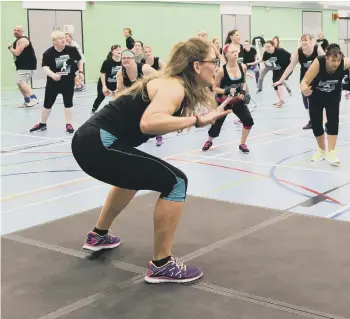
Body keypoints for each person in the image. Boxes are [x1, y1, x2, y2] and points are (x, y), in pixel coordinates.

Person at [71, 37, 231, 283]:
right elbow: (149, 123)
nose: (217, 67)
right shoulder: (174, 86)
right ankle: (161, 264)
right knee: (176, 182)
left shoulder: (172, 85)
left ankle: (99, 235)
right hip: (99, 143)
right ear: (197, 66)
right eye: (214, 61)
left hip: (91, 141)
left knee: (131, 176)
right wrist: (197, 120)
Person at [300, 44, 350, 166]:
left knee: (333, 121)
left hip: (333, 95)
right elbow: (304, 81)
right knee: (316, 123)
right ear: (327, 58)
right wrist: (304, 89)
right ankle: (321, 150)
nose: (336, 63)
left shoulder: (344, 63)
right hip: (315, 95)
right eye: (333, 60)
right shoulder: (318, 63)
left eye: (338, 60)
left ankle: (332, 152)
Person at [201, 44, 254, 153]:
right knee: (216, 126)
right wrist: (226, 91)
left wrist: (243, 91)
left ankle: (242, 144)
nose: (235, 54)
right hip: (224, 102)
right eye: (232, 52)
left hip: (237, 101)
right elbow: (214, 88)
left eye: (236, 52)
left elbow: (243, 82)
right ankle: (209, 141)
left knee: (248, 120)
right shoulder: (221, 71)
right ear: (226, 55)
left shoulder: (242, 66)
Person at [29, 31, 84, 134]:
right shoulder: (48, 53)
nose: (63, 40)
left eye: (64, 38)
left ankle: (69, 124)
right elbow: (45, 67)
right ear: (54, 41)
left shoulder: (71, 50)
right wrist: (53, 75)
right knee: (47, 104)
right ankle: (42, 123)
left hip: (68, 82)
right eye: (60, 38)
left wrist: (80, 72)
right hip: (53, 83)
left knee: (68, 103)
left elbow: (79, 60)